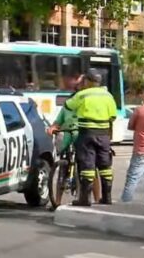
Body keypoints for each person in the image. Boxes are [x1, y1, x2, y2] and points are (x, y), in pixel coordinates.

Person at [64, 68, 117, 206]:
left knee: (87, 166)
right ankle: (107, 197)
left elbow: (68, 106)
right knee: (105, 166)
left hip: (87, 134)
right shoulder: (108, 96)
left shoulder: (82, 95)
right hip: (104, 135)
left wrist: (78, 87)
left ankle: (85, 199)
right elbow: (113, 116)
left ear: (87, 81)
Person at [47, 72, 102, 203]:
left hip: (84, 138)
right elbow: (58, 121)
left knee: (91, 169)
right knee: (62, 170)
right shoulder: (67, 106)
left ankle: (98, 199)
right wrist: (52, 128)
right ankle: (57, 202)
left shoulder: (87, 104)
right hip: (68, 139)